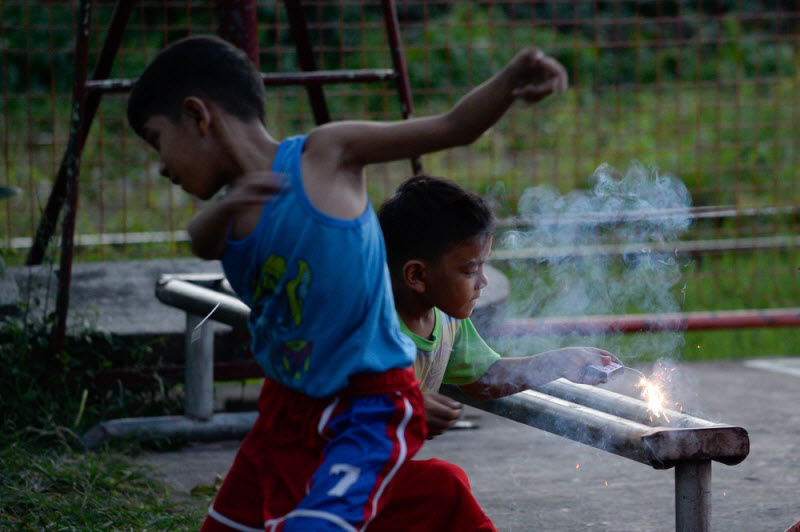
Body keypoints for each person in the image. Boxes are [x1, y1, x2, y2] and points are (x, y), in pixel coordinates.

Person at [127, 33, 567, 531]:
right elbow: (199, 239)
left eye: (157, 138)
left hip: (368, 407)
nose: (161, 166)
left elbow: (453, 127)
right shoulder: (228, 218)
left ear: (197, 116)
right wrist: (233, 203)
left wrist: (511, 80)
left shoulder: (325, 157)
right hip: (286, 413)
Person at [378, 174, 622, 439]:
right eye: (470, 270)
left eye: (484, 265)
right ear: (416, 275)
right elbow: (338, 398)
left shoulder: (447, 320)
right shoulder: (371, 328)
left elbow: (483, 377)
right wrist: (403, 405)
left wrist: (556, 363)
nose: (483, 281)